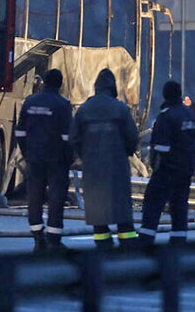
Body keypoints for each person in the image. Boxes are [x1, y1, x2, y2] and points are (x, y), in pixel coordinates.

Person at [69, 69, 139, 249]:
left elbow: (74, 138)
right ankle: (128, 243)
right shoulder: (121, 109)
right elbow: (132, 137)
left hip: (93, 167)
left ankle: (103, 246)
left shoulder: (84, 109)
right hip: (117, 166)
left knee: (97, 210)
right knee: (122, 207)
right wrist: (127, 152)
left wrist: (84, 156)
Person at [15, 69, 73, 251]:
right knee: (56, 198)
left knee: (35, 197)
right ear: (60, 84)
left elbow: (20, 132)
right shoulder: (63, 105)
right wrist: (68, 158)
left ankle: (37, 236)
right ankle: (54, 239)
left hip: (34, 157)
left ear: (44, 82)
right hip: (56, 159)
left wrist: (26, 152)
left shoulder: (30, 101)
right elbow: (67, 137)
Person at [139, 81, 195, 249]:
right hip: (186, 170)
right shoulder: (191, 116)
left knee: (153, 203)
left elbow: (160, 148)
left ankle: (145, 242)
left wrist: (155, 167)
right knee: (179, 206)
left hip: (167, 170)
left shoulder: (166, 116)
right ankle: (178, 244)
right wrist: (190, 164)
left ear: (166, 95)